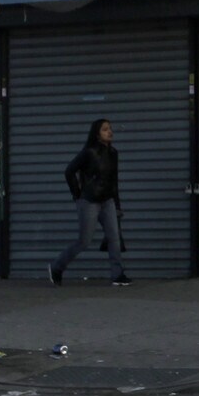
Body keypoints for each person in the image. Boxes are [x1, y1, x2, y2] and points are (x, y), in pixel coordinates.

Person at [49, 118, 129, 286]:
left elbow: (114, 181)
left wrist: (118, 206)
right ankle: (56, 267)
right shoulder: (89, 152)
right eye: (105, 129)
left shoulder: (114, 153)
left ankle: (117, 274)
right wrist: (77, 194)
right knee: (84, 241)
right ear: (97, 134)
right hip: (90, 202)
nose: (110, 132)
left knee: (114, 237)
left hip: (107, 201)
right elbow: (69, 171)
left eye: (110, 128)